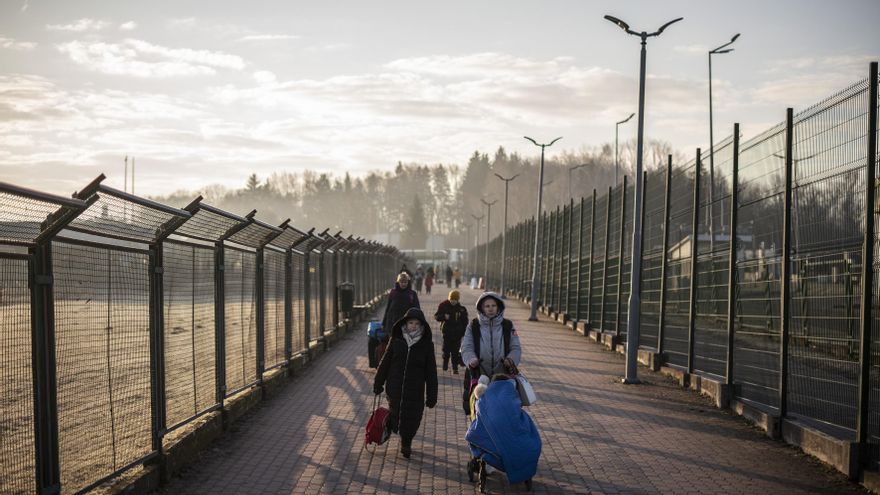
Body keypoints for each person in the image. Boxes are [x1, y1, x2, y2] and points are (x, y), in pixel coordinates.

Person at [373, 308, 438, 458]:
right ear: (405, 323)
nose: (413, 326)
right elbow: (385, 363)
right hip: (395, 386)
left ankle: (406, 442)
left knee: (413, 417)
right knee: (395, 411)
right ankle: (391, 427)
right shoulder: (396, 340)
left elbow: (431, 372)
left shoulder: (427, 345)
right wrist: (378, 383)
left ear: (422, 326)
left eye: (417, 323)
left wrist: (432, 395)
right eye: (410, 323)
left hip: (415, 388)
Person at [459, 292, 522, 415]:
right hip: (479, 373)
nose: (491, 308)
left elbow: (515, 347)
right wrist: (471, 359)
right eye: (487, 306)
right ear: (481, 308)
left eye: (493, 305)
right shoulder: (473, 325)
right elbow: (466, 346)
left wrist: (511, 360)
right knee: (479, 410)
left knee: (501, 410)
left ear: (499, 307)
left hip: (502, 375)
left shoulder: (507, 325)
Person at [372, 272, 420, 367]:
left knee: (406, 344)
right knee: (393, 344)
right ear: (398, 282)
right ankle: (394, 364)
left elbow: (417, 309)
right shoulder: (393, 293)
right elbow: (388, 308)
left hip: (406, 324)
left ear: (408, 282)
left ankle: (404, 363)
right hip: (392, 323)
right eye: (401, 282)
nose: (403, 284)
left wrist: (418, 323)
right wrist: (384, 322)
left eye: (405, 282)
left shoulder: (412, 294)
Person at [434, 290, 469, 374]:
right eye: (451, 299)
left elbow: (465, 321)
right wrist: (443, 317)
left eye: (455, 299)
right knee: (446, 350)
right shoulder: (444, 306)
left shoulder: (461, 309)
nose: (453, 301)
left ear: (458, 300)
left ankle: (455, 368)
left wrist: (463, 332)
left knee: (455, 352)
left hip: (457, 334)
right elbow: (436, 316)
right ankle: (445, 363)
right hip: (447, 332)